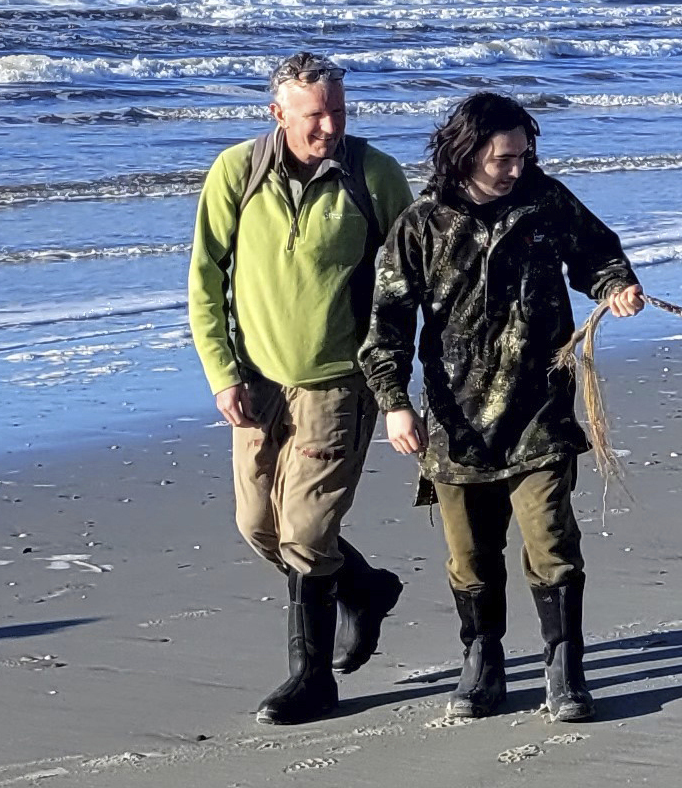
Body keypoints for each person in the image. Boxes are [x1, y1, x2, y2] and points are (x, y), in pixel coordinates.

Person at [361, 91, 643, 723]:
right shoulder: (420, 226)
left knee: (551, 541)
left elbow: (597, 254)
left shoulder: (547, 203)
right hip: (454, 421)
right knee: (470, 556)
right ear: (466, 154)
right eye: (504, 158)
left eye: (524, 154)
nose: (518, 167)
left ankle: (564, 669)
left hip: (541, 408)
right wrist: (393, 404)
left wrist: (616, 285)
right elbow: (387, 327)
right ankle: (482, 661)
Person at [187, 51, 415, 725]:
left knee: (308, 534)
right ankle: (366, 588)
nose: (328, 126)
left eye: (338, 111)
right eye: (314, 114)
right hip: (256, 383)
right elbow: (205, 281)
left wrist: (399, 384)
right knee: (258, 526)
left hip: (340, 383)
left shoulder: (375, 176)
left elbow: (411, 281)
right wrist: (222, 373)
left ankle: (311, 680)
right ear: (277, 112)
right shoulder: (237, 171)